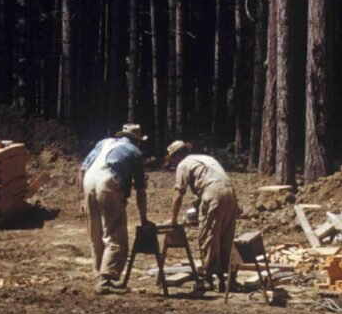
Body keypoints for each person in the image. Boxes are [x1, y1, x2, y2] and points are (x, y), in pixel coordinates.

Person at [80, 123, 150, 294]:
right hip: (109, 184)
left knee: (95, 232)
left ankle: (100, 274)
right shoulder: (135, 152)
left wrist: (81, 197)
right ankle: (106, 280)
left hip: (89, 181)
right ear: (137, 140)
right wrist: (144, 219)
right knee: (115, 234)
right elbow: (140, 190)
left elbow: (82, 168)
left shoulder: (103, 143)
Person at [163, 141, 239, 292]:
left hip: (213, 192)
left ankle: (209, 278)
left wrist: (173, 219)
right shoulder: (205, 159)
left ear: (177, 155)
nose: (173, 162)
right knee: (225, 236)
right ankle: (227, 277)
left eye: (173, 158)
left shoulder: (183, 165)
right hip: (230, 192)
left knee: (208, 236)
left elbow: (179, 193)